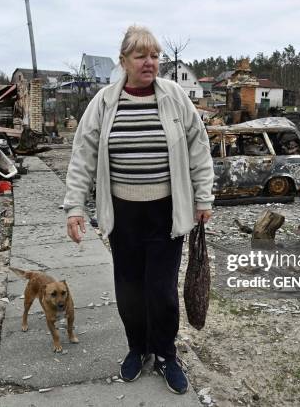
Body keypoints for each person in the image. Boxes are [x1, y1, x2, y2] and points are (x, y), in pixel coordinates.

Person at [63, 25, 214, 394]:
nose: (150, 63)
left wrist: (204, 197)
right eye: (141, 56)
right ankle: (137, 348)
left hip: (165, 212)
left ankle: (165, 354)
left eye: (155, 55)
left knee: (161, 290)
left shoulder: (176, 97)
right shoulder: (103, 102)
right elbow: (83, 154)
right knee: (129, 290)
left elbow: (198, 147)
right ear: (124, 61)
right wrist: (74, 207)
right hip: (123, 215)